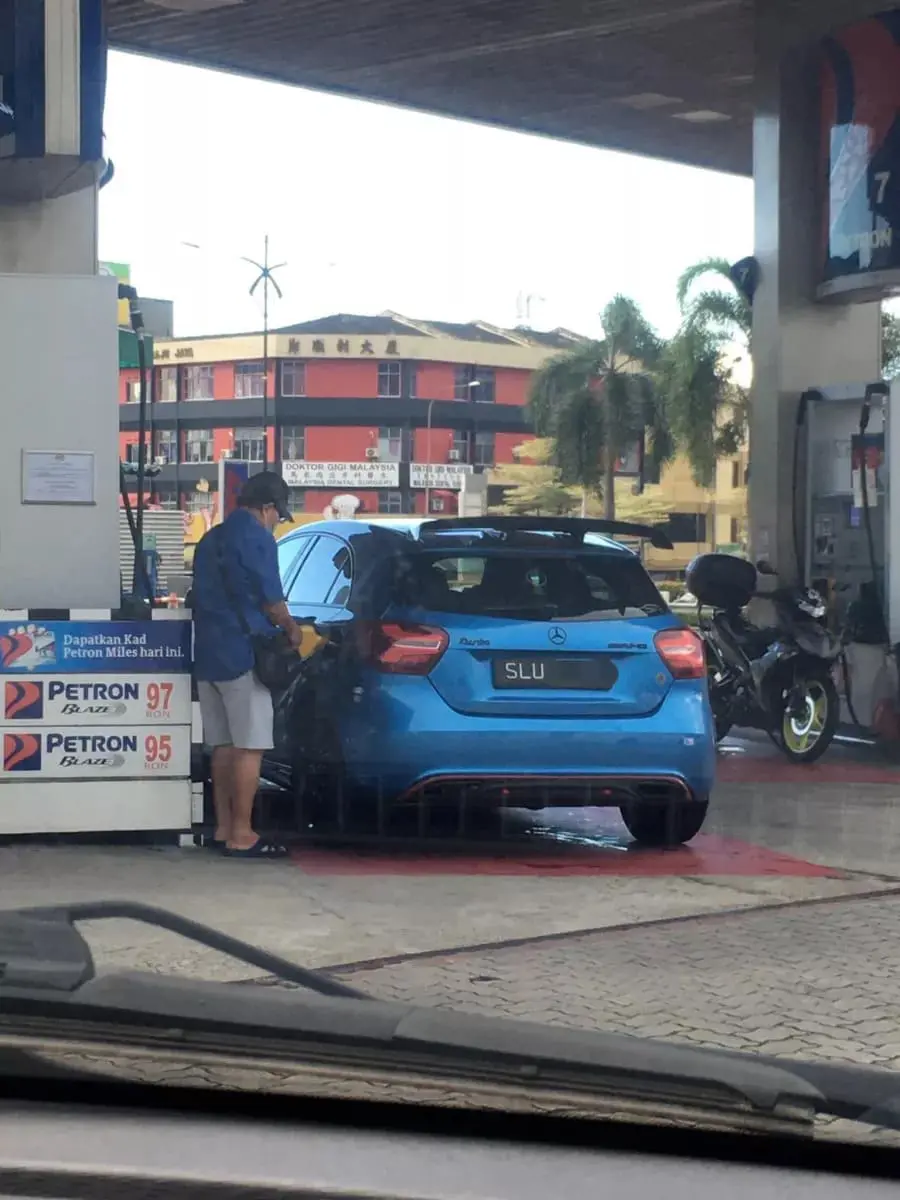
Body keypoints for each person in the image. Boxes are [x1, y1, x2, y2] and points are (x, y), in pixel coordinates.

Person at [192, 471, 304, 859]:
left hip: (207, 655)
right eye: (277, 514)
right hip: (244, 655)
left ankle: (222, 828)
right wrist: (292, 629)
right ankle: (243, 833)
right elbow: (272, 601)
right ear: (268, 507)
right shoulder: (257, 538)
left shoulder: (210, 539)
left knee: (222, 745)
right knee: (251, 746)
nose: (276, 521)